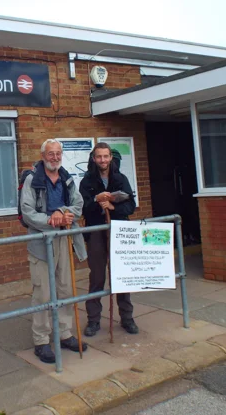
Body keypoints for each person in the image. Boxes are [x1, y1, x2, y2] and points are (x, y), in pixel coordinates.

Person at [20, 139, 88, 363]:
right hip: (41, 241)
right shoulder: (32, 179)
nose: (55, 157)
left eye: (58, 153)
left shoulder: (67, 178)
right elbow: (27, 212)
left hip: (64, 239)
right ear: (43, 156)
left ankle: (64, 333)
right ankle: (41, 340)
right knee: (43, 293)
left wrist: (62, 211)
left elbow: (78, 206)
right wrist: (51, 219)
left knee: (65, 288)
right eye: (51, 153)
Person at [79, 142, 138, 337]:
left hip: (119, 231)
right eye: (99, 157)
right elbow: (82, 208)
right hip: (96, 231)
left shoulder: (120, 178)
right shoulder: (86, 181)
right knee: (97, 276)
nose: (102, 160)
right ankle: (93, 320)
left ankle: (127, 318)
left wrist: (113, 208)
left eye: (105, 156)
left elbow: (131, 206)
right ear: (94, 158)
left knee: (121, 275)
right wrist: (96, 201)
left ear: (110, 158)